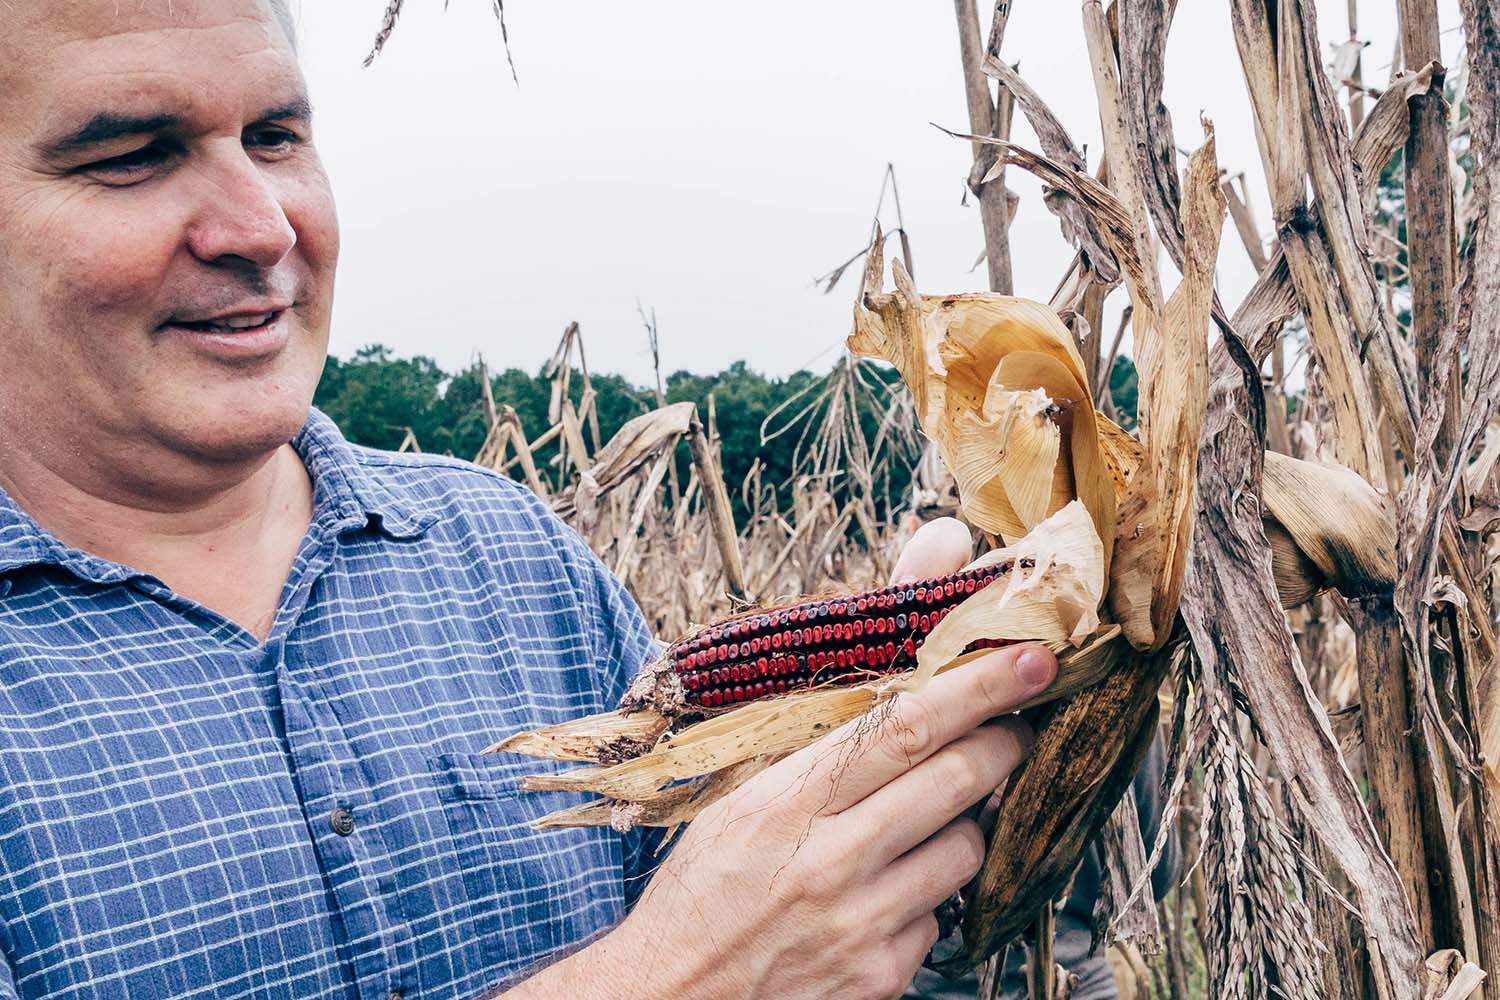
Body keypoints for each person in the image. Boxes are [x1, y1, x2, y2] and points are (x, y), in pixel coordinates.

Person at [0, 2, 1059, 998]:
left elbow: (784, 944)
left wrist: (933, 789)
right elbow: (714, 956)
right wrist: (665, 977)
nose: (260, 226)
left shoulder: (510, 555)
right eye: (133, 156)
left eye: (275, 136)